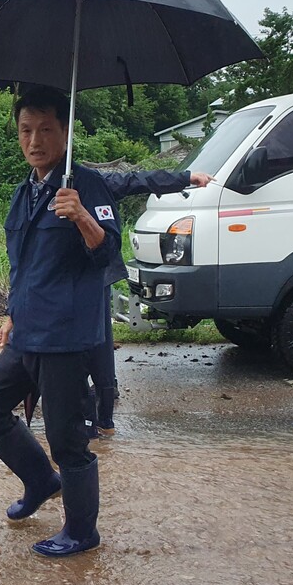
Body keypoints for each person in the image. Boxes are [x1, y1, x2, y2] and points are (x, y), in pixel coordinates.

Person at [0, 86, 122, 557]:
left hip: (66, 335)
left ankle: (82, 531)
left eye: (46, 130)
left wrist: (81, 218)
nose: (34, 140)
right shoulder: (25, 191)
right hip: (28, 329)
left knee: (67, 438)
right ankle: (40, 480)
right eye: (25, 131)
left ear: (65, 132)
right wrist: (12, 314)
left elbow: (109, 254)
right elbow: (23, 264)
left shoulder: (86, 185)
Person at [86, 166, 214, 436]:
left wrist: (186, 177)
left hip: (94, 279)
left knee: (98, 344)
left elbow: (140, 179)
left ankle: (103, 419)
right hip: (64, 284)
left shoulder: (93, 182)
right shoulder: (38, 191)